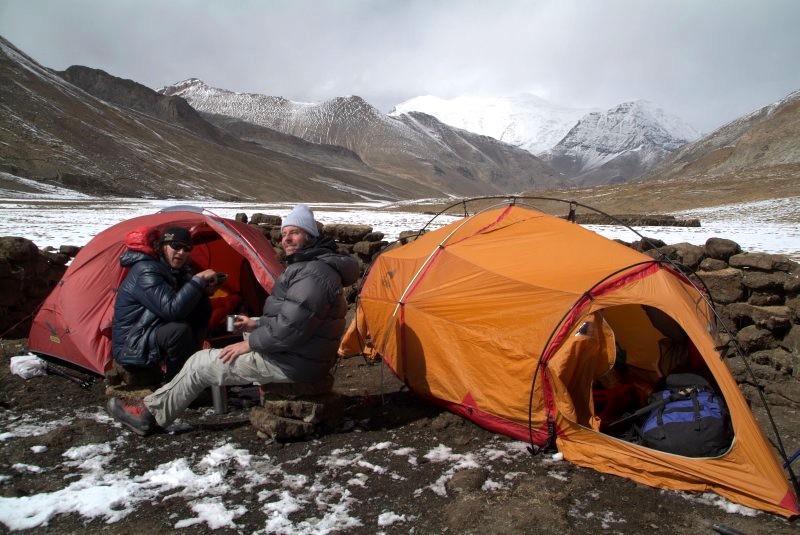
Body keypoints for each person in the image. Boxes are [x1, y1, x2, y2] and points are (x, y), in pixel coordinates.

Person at [107, 204, 360, 435]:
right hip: (303, 353)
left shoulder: (312, 274)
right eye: (284, 234)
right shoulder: (312, 266)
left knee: (199, 363)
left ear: (310, 235)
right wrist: (256, 324)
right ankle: (210, 386)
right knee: (244, 333)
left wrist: (250, 344)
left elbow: (291, 327)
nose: (286, 239)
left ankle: (149, 415)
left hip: (296, 362)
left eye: (295, 232)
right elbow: (298, 318)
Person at [112, 226, 223, 382]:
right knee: (178, 331)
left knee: (201, 307)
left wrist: (203, 291)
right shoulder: (146, 270)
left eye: (187, 248)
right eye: (176, 246)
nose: (181, 252)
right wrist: (197, 281)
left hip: (152, 330)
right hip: (133, 342)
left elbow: (182, 302)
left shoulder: (176, 270)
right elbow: (172, 310)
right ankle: (176, 385)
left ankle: (191, 369)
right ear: (163, 246)